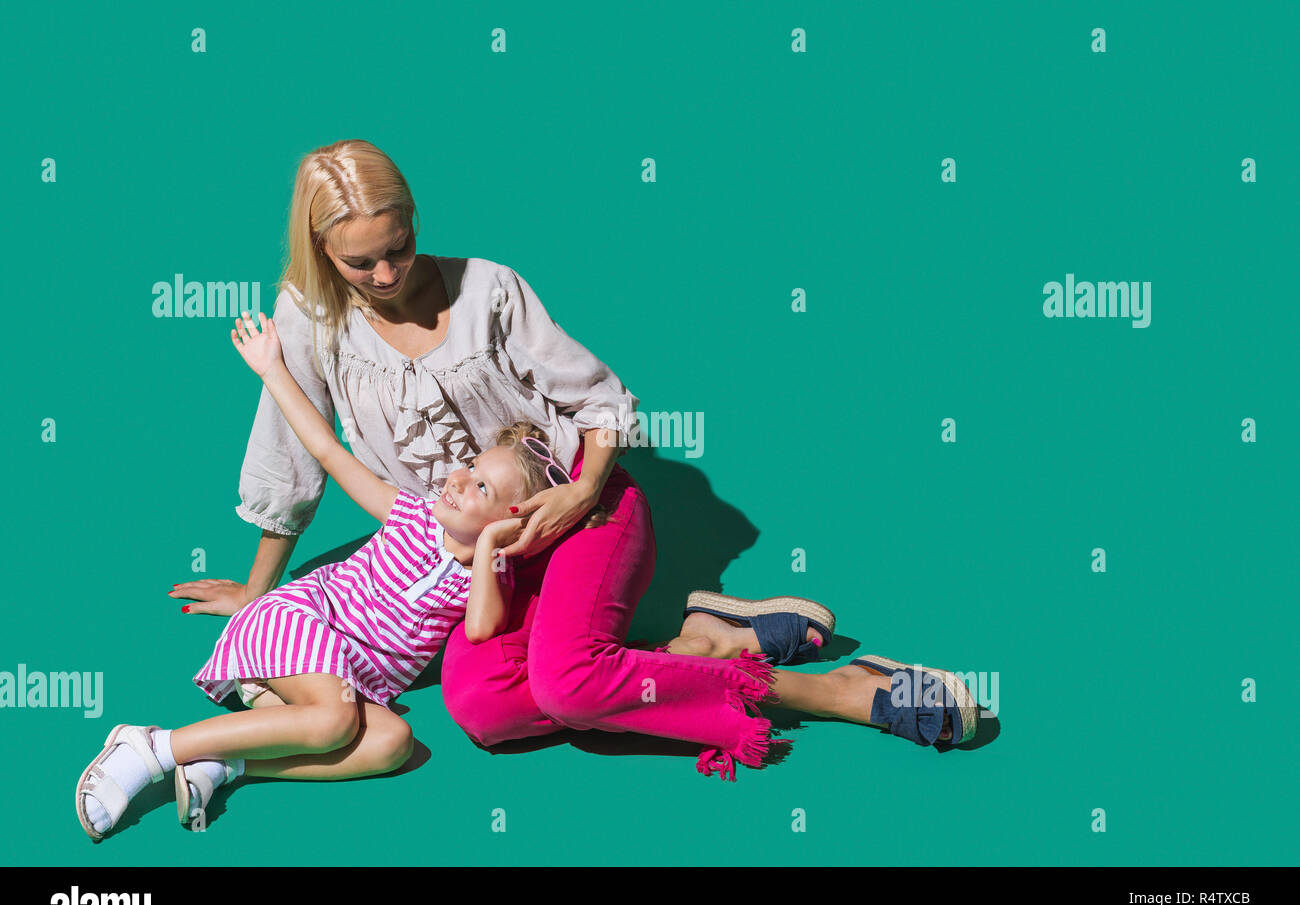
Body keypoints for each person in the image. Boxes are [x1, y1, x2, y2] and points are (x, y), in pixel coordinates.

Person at [165, 139, 977, 795]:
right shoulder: (308, 317)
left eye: (398, 248)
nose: (385, 275)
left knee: (568, 687)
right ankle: (703, 644)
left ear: (415, 220)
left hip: (581, 512)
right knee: (482, 708)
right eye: (359, 263)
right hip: (475, 557)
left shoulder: (488, 292)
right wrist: (259, 590)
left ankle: (833, 692)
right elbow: (295, 447)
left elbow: (600, 402)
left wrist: (582, 490)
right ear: (320, 253)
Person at [74, 308, 577, 841]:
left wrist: (493, 549)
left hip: (333, 685)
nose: (459, 479)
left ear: (506, 523)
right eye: (472, 465)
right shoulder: (409, 513)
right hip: (295, 623)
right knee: (336, 722)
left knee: (394, 744)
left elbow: (480, 628)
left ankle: (225, 763)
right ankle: (151, 747)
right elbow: (326, 449)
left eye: (482, 489)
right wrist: (273, 370)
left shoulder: (485, 574)